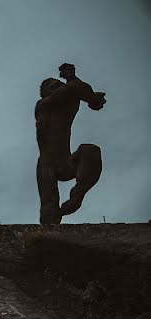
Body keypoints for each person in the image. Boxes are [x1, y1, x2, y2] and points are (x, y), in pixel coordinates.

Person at [35, 63, 106, 225]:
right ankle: (49, 238)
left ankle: (78, 194)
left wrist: (75, 82)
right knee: (49, 211)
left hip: (65, 162)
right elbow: (72, 90)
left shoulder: (68, 104)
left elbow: (77, 89)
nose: (58, 89)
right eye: (53, 87)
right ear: (44, 93)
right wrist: (89, 95)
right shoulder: (43, 105)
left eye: (59, 85)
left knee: (91, 151)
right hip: (47, 164)